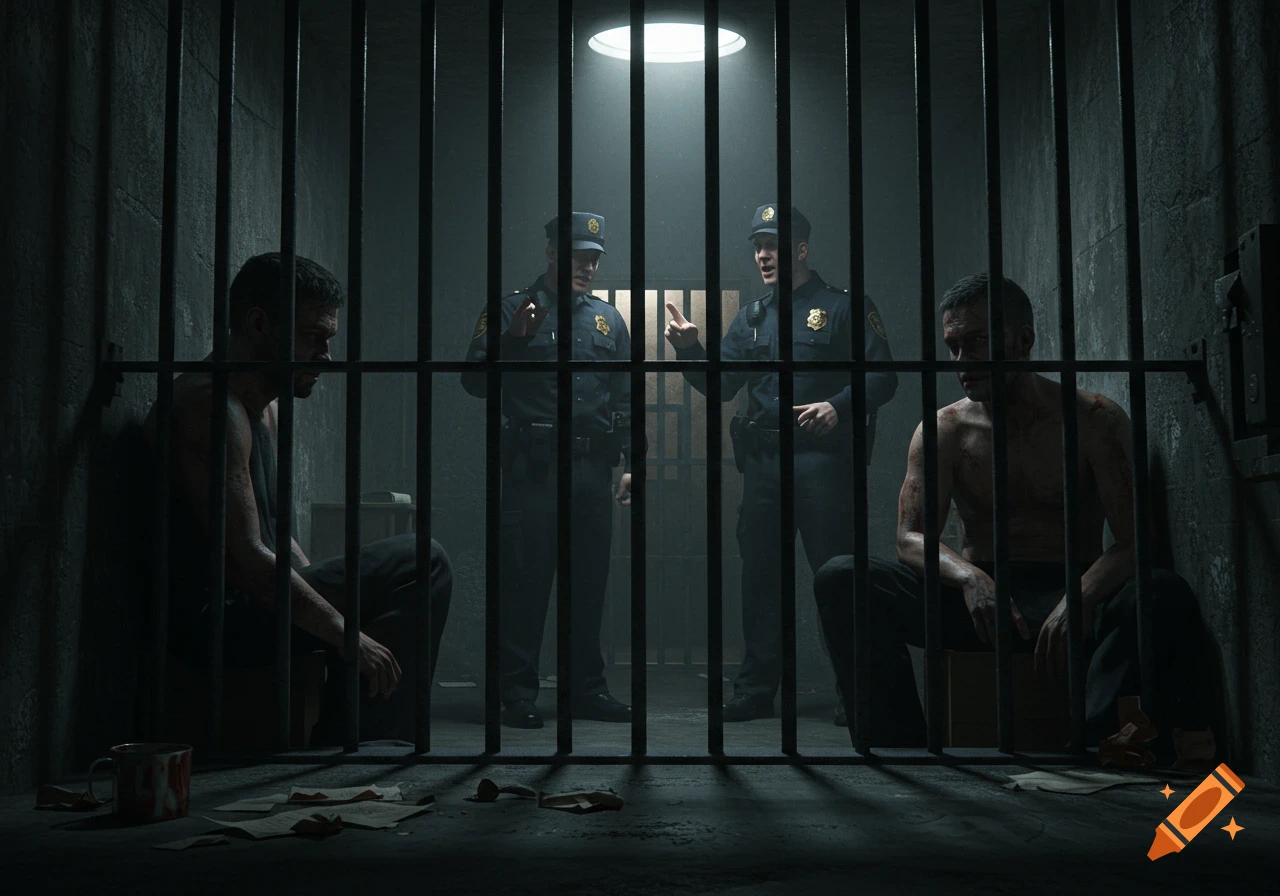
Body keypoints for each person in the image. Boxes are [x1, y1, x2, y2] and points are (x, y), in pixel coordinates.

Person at [814, 273, 1205, 748]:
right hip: (983, 603)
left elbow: (1135, 539)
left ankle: (1097, 740)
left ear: (1023, 341)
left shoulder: (1094, 420)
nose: (961, 362)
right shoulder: (945, 430)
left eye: (976, 343)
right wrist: (970, 578)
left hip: (1073, 590)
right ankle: (901, 748)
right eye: (953, 346)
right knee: (841, 575)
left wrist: (1079, 596)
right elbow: (909, 538)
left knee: (1163, 591)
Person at [144, 252, 454, 746]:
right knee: (423, 558)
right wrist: (345, 632)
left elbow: (278, 538)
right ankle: (364, 741)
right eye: (314, 338)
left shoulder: (261, 410)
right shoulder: (209, 409)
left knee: (390, 576)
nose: (326, 357)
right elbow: (246, 559)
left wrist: (335, 603)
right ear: (259, 323)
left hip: (250, 603)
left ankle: (355, 734)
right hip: (212, 623)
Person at [665, 204, 899, 724]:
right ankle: (755, 691)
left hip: (822, 464)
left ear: (801, 248)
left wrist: (837, 406)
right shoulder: (751, 318)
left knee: (837, 576)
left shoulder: (844, 307)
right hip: (766, 465)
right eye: (757, 246)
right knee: (761, 580)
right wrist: (689, 348)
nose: (763, 255)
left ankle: (853, 689)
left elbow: (883, 377)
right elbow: (721, 385)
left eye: (773, 244)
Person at [461, 212, 636, 729]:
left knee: (588, 584)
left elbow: (624, 398)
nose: (588, 265)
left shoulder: (608, 321)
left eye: (594, 257)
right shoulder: (512, 308)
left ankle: (585, 690)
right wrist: (514, 341)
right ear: (552, 253)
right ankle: (516, 693)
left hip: (590, 468)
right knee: (524, 582)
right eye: (578, 255)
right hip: (532, 469)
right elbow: (473, 381)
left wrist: (634, 461)